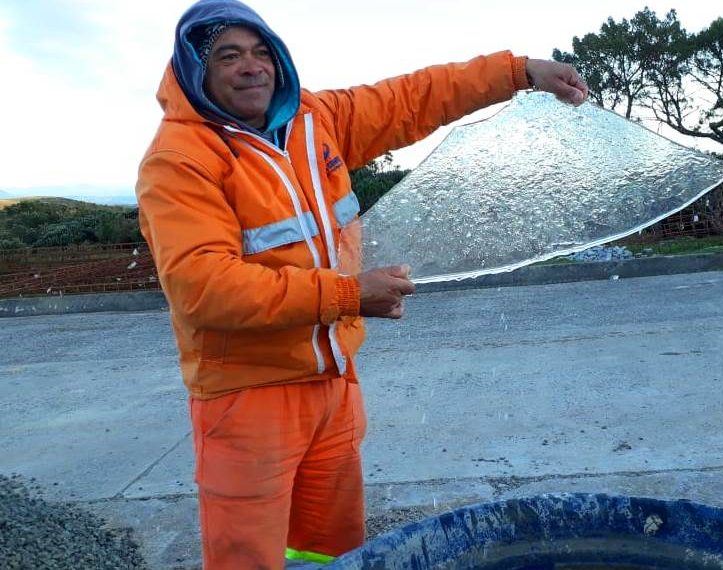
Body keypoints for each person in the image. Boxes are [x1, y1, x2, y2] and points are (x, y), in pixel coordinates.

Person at [136, 0, 588, 567]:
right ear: (195, 72)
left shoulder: (313, 120)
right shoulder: (179, 160)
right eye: (228, 56)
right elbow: (204, 289)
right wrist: (351, 295)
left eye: (261, 52)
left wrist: (519, 72)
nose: (252, 67)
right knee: (248, 555)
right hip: (246, 397)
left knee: (329, 551)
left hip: (335, 383)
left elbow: (415, 96)